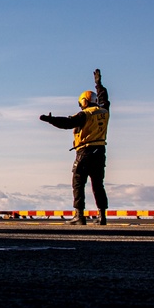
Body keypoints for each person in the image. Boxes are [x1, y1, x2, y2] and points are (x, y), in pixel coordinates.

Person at [39, 69, 110, 225]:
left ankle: (79, 215)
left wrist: (50, 120)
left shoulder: (85, 114)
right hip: (100, 152)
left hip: (85, 151)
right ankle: (102, 216)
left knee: (78, 182)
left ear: (83, 102)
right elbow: (104, 98)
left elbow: (66, 123)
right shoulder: (104, 110)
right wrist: (99, 84)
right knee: (98, 184)